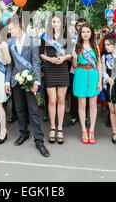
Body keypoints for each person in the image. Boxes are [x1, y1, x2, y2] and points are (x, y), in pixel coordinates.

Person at [5, 18, 49, 157]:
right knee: (19, 109)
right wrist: (7, 82)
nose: (9, 31)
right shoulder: (10, 42)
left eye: (11, 28)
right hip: (16, 80)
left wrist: (36, 82)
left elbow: (36, 62)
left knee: (33, 110)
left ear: (18, 27)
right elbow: (10, 65)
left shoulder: (32, 40)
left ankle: (39, 141)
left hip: (29, 80)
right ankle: (23, 133)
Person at [40, 14, 71, 144]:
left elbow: (70, 54)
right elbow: (41, 54)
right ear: (50, 23)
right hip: (50, 69)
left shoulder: (67, 37)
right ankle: (52, 126)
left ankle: (60, 128)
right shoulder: (45, 36)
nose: (56, 24)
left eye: (58, 21)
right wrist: (50, 59)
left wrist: (63, 58)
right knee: (52, 100)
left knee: (61, 99)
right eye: (53, 21)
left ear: (62, 23)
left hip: (62, 69)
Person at [72, 23, 102, 145]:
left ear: (91, 33)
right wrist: (74, 58)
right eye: (83, 31)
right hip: (80, 74)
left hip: (93, 75)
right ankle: (84, 130)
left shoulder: (96, 47)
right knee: (82, 104)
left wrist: (100, 81)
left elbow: (99, 64)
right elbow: (74, 66)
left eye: (88, 31)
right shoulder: (77, 46)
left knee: (93, 104)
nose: (85, 34)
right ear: (80, 33)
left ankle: (92, 130)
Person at [66, 23, 78, 126]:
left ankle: (84, 116)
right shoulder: (65, 41)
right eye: (69, 31)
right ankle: (73, 115)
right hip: (69, 68)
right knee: (73, 92)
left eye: (72, 31)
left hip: (81, 68)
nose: (71, 33)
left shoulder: (79, 41)